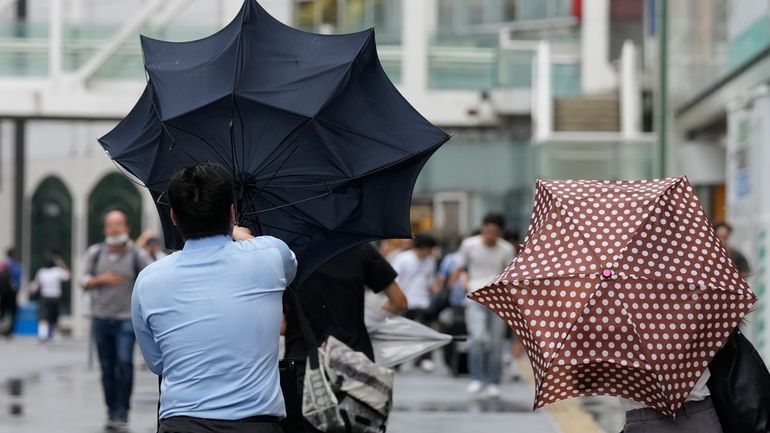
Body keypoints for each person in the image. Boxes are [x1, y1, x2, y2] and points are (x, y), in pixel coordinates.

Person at [132, 162, 296, 433]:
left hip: (181, 424)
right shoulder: (271, 255)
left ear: (173, 216)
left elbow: (157, 362)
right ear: (232, 212)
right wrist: (243, 238)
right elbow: (290, 270)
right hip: (256, 424)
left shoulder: (148, 280)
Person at [283, 243, 408, 433]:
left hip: (304, 367)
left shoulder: (288, 254)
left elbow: (281, 326)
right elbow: (399, 301)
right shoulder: (359, 247)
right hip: (355, 367)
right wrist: (373, 322)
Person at [81, 210, 149, 431]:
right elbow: (83, 279)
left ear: (126, 227)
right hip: (100, 318)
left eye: (119, 224)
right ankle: (111, 412)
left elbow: (148, 280)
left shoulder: (136, 254)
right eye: (110, 224)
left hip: (126, 320)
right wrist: (102, 279)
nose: (115, 228)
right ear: (105, 229)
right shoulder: (95, 253)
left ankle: (123, 413)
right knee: (107, 367)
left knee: (124, 362)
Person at [451, 213, 514, 398]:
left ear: (500, 232)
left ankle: (494, 381)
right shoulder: (469, 244)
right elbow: (460, 266)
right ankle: (476, 377)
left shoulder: (506, 248)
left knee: (495, 343)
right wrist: (461, 279)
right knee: (478, 338)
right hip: (474, 295)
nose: (490, 235)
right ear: (483, 228)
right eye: (488, 230)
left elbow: (510, 274)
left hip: (497, 298)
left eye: (495, 232)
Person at [390, 233, 439, 371]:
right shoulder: (403, 259)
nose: (431, 252)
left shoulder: (430, 262)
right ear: (423, 248)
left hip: (423, 301)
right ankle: (396, 360)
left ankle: (424, 359)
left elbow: (430, 281)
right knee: (401, 331)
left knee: (425, 330)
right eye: (430, 249)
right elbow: (395, 280)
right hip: (405, 300)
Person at [30, 250, 70, 342]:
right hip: (55, 297)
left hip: (45, 296)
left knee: (43, 316)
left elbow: (37, 285)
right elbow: (68, 275)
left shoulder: (42, 272)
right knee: (54, 317)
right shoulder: (57, 271)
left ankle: (43, 335)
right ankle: (55, 334)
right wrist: (61, 263)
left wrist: (31, 290)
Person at [0, 248, 22, 337]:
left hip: (3, 294)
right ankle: (9, 331)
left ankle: (2, 329)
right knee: (13, 312)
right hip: (12, 294)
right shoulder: (17, 266)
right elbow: (18, 281)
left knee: (3, 312)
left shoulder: (2, 264)